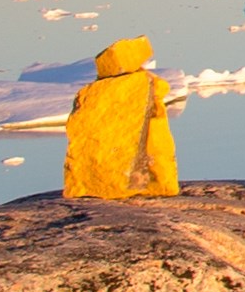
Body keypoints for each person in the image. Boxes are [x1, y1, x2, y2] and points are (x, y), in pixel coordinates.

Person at [60, 37, 177, 200]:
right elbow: (161, 87)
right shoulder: (140, 84)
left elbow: (161, 88)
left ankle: (97, 183)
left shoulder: (99, 91)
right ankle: (145, 183)